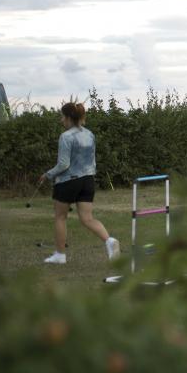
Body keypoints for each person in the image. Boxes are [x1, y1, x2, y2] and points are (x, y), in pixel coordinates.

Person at [38, 101, 119, 265]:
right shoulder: (90, 134)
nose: (61, 120)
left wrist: (47, 175)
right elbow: (92, 160)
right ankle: (109, 241)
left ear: (68, 118)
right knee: (87, 219)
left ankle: (60, 255)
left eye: (62, 117)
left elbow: (63, 164)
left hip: (68, 181)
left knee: (60, 217)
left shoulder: (65, 137)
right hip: (88, 181)